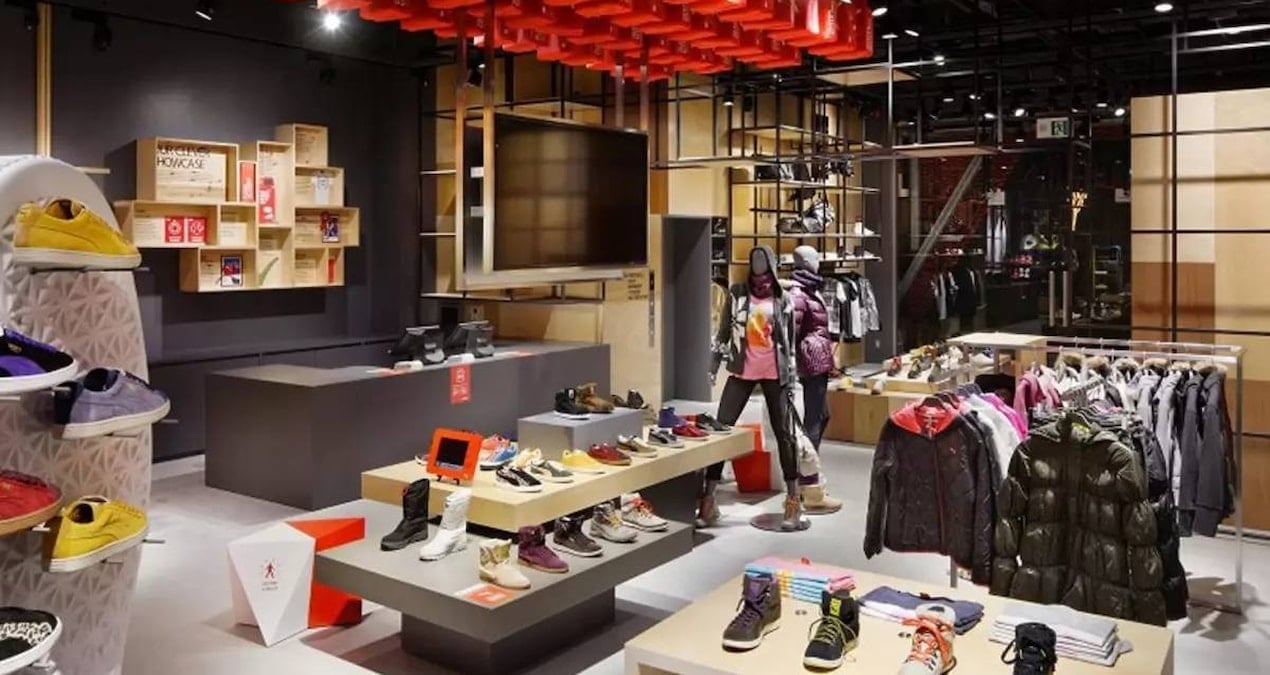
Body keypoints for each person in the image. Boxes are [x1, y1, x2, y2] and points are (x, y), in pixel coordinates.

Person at [705, 246, 804, 531]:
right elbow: (724, 331)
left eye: (763, 260)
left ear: (771, 264)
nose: (758, 264)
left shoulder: (783, 298)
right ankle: (709, 499)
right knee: (721, 429)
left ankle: (793, 500)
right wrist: (713, 365)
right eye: (754, 259)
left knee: (785, 434)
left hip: (775, 373)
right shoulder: (737, 293)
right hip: (742, 370)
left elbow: (790, 342)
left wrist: (791, 377)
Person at [787, 246, 843, 514]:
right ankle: (810, 485)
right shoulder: (798, 294)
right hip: (810, 362)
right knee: (813, 420)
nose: (819, 261)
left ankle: (811, 476)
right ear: (806, 262)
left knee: (821, 416)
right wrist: (793, 363)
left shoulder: (810, 289)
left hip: (817, 361)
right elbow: (793, 331)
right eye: (815, 258)